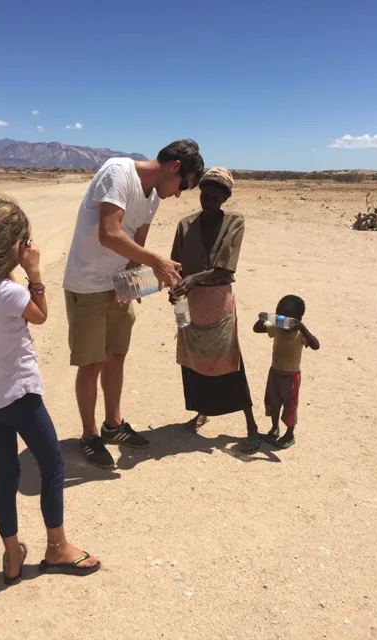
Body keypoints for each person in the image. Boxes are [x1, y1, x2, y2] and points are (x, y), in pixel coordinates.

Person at [0, 196, 100, 585]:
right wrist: (34, 271)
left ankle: (13, 555)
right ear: (10, 244)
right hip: (22, 397)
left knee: (6, 473)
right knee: (53, 465)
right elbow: (41, 315)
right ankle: (57, 547)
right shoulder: (9, 293)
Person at [63, 140, 204, 468]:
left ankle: (113, 425)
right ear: (174, 167)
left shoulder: (153, 196)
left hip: (116, 286)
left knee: (116, 355)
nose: (179, 194)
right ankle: (89, 435)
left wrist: (132, 278)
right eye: (183, 185)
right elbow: (109, 233)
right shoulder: (118, 172)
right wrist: (157, 261)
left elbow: (137, 243)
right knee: (92, 362)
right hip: (87, 284)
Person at [169, 167, 261, 453]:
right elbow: (176, 266)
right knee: (194, 360)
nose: (208, 200)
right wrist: (175, 287)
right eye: (204, 194)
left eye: (215, 197)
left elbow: (224, 268)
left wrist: (192, 279)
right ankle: (202, 411)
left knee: (229, 362)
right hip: (191, 303)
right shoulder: (185, 224)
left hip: (217, 302)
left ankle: (252, 426)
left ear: (225, 199)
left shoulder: (234, 222)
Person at [253, 295, 320, 449]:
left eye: (288, 321)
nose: (284, 324)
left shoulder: (301, 333)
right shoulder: (277, 326)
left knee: (290, 407)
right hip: (275, 372)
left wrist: (301, 327)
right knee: (273, 402)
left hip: (291, 376)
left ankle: (290, 434)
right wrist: (265, 318)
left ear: (298, 319)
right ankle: (274, 429)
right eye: (281, 318)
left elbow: (316, 345)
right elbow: (256, 329)